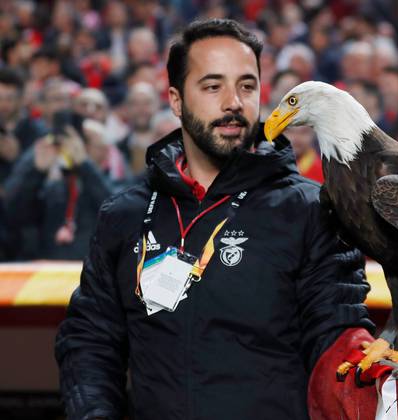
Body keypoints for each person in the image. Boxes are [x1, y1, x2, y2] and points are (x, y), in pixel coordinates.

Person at [55, 18, 373, 419]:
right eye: (212, 86)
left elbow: (336, 335)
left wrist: (376, 379)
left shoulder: (313, 211)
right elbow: (90, 341)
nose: (234, 103)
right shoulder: (124, 216)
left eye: (247, 85)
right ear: (175, 100)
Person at [4, 112, 114, 260]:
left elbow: (113, 211)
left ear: (105, 150)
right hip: (48, 272)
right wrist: (36, 172)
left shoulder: (116, 181)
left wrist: (84, 165)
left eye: (83, 141)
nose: (70, 148)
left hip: (91, 272)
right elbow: (14, 215)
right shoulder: (51, 188)